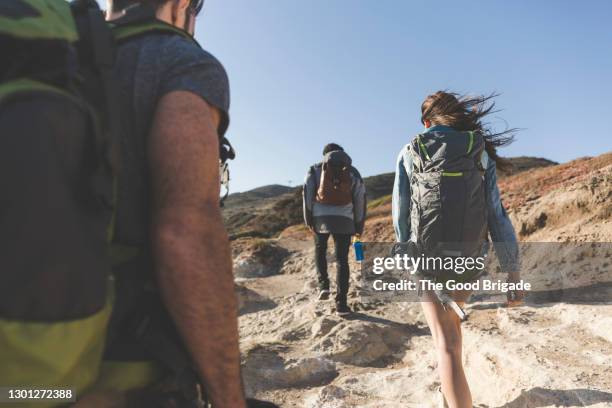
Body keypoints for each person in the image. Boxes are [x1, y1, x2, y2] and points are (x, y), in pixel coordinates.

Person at [95, 0, 246, 406]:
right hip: (124, 364)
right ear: (182, 6)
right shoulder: (180, 61)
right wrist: (231, 399)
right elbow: (186, 231)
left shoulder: (51, 58)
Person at [392, 91, 523, 408]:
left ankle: (456, 400)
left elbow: (401, 214)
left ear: (426, 122)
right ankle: (455, 398)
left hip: (427, 260)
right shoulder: (477, 151)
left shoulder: (411, 151)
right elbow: (496, 214)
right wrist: (513, 270)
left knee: (445, 343)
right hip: (468, 256)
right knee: (453, 330)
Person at [303, 143, 367, 316]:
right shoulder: (353, 171)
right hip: (345, 220)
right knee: (342, 260)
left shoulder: (315, 168)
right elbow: (360, 200)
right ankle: (342, 305)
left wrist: (308, 219)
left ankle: (323, 286)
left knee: (320, 250)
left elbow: (307, 195)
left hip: (320, 219)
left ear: (324, 155)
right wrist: (358, 226)